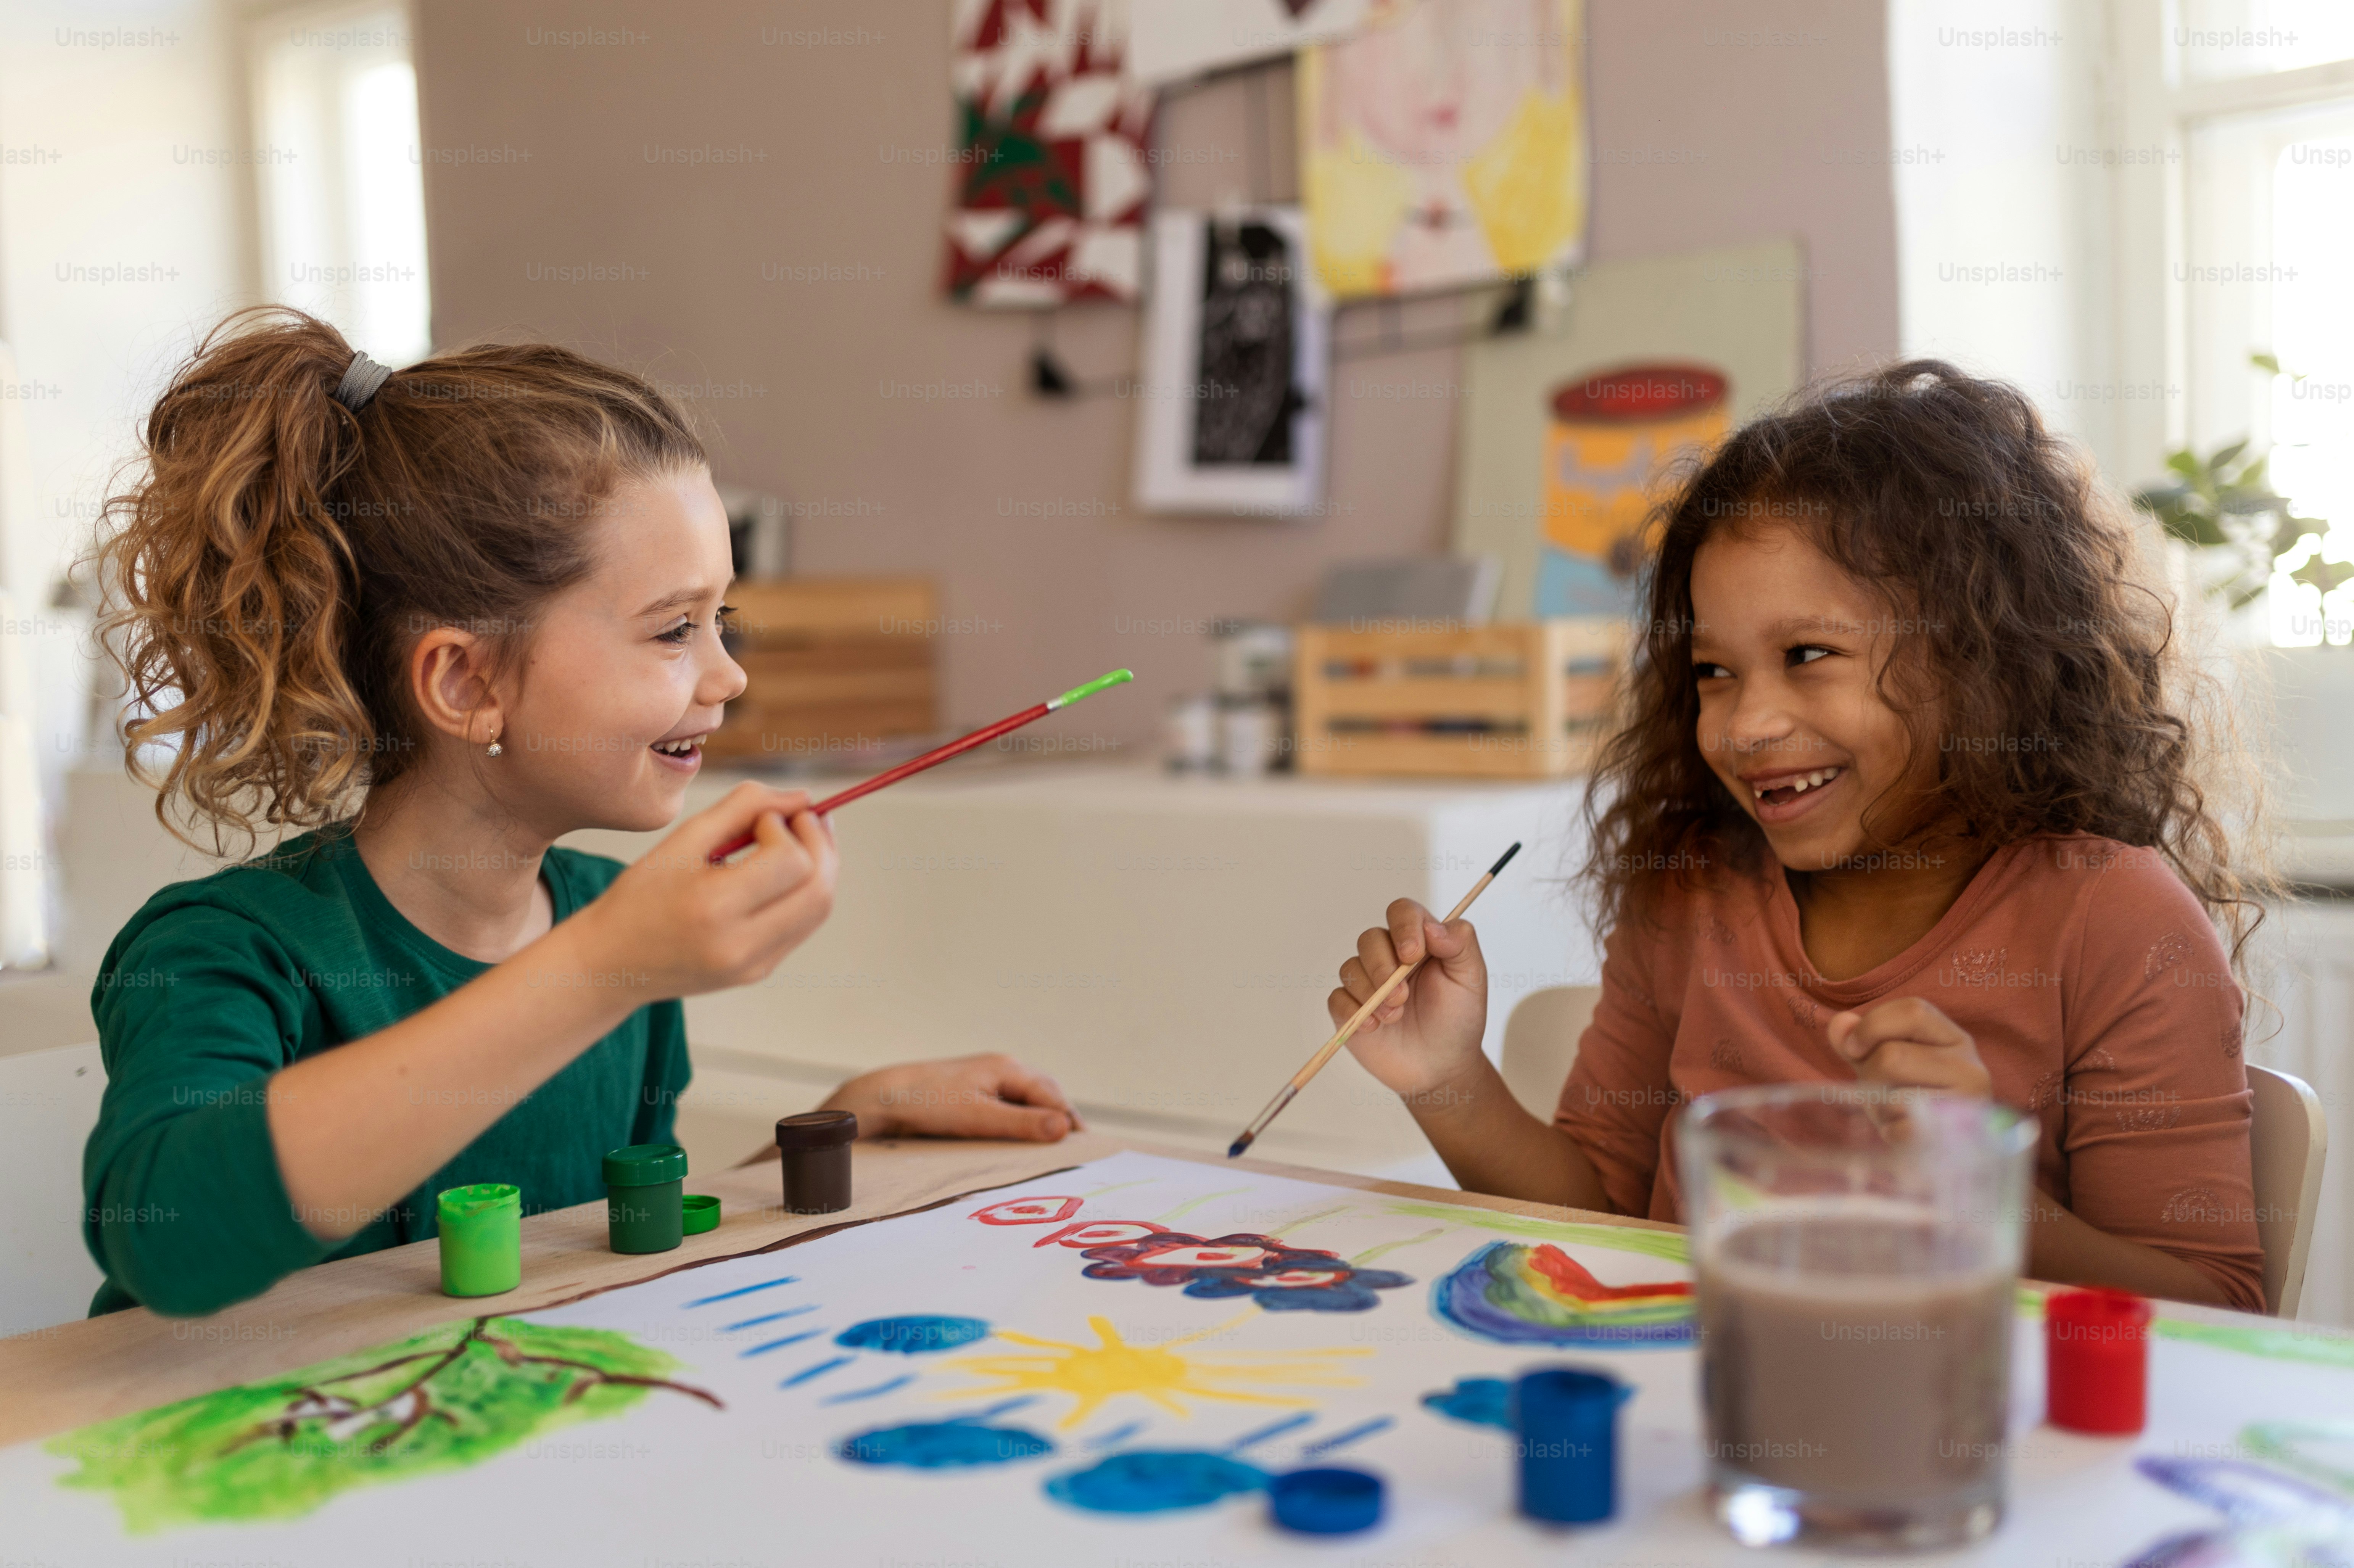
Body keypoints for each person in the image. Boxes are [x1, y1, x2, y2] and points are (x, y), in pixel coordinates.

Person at [81, 307, 1078, 1317]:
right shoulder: (224, 950)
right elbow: (168, 1235)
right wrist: (607, 965)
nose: (727, 675)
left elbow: (606, 1243)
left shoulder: (609, 922)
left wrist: (847, 1118)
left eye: (719, 619)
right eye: (673, 629)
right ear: (468, 682)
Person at [1329, 361, 2270, 1310]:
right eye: (1713, 671)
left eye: (1808, 656)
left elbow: (2215, 1313)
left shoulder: (2116, 922)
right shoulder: (1692, 892)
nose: (1744, 727)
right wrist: (1446, 1077)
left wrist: (1971, 1178)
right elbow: (1598, 1218)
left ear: (1986, 660)